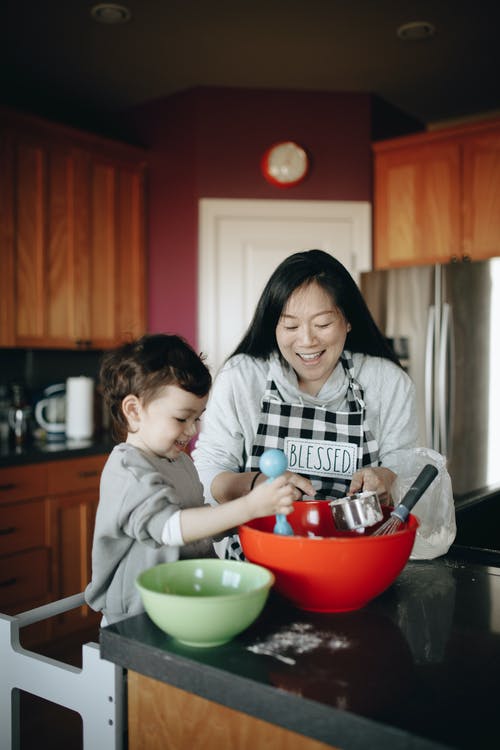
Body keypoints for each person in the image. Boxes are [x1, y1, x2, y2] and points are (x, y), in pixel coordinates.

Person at [192, 249, 419, 559]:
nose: (307, 341)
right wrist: (256, 484)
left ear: (348, 322)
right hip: (255, 564)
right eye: (290, 326)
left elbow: (406, 463)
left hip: (355, 562)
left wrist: (387, 477)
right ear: (273, 326)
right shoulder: (244, 378)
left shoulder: (386, 382)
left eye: (323, 324)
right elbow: (207, 473)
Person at [84, 334, 295, 624]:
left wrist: (254, 516)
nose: (193, 430)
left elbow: (197, 525)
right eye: (182, 418)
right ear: (134, 411)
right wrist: (249, 507)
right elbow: (170, 529)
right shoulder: (127, 471)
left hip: (181, 603)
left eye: (198, 418)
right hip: (136, 617)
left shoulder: (181, 461)